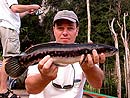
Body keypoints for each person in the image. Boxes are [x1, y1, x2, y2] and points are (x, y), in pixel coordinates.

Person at [25, 10, 106, 98]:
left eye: (70, 28)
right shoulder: (42, 51)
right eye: (60, 28)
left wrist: (89, 69)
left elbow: (97, 84)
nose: (65, 33)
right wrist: (44, 77)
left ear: (77, 31)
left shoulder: (87, 54)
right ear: (54, 30)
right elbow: (30, 88)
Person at [0, 0, 40, 96]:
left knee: (8, 58)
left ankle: (4, 88)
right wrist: (32, 6)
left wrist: (26, 11)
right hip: (10, 28)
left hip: (7, 27)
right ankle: (3, 90)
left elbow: (15, 14)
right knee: (9, 59)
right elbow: (15, 8)